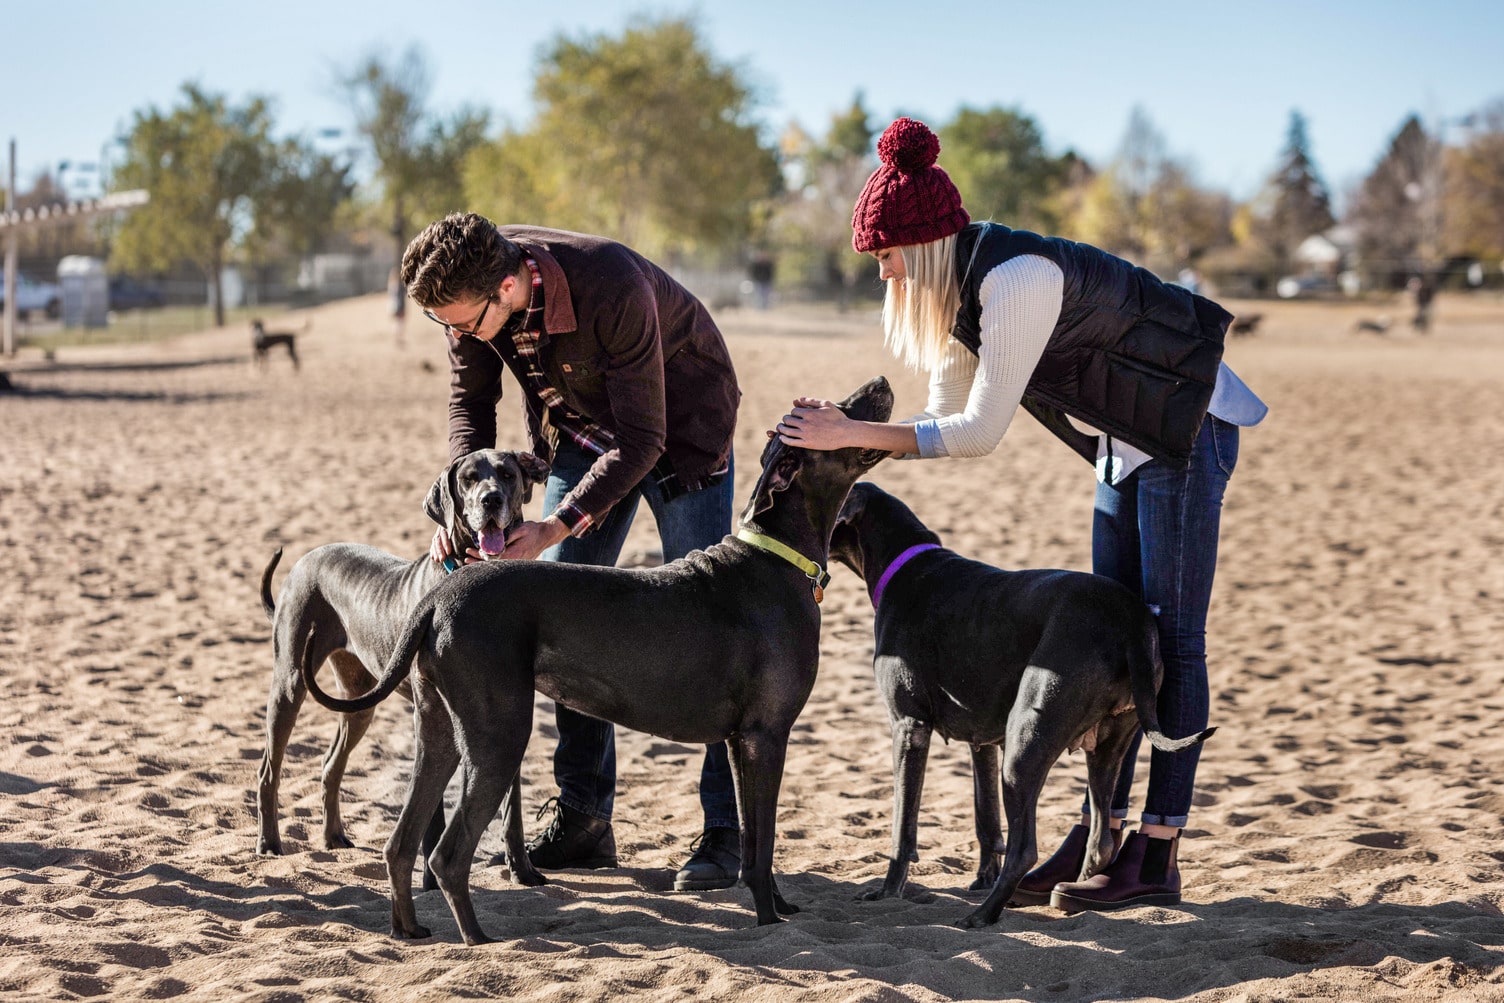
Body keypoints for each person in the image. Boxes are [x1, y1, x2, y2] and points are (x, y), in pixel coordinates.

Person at [776, 118, 1268, 911]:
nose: (882, 275)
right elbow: (940, 414)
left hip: (1186, 428)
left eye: (886, 257)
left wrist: (850, 432)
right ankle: (1098, 834)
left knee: (1171, 638)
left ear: (925, 245)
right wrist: (844, 431)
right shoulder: (965, 295)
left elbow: (977, 432)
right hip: (1125, 440)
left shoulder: (1017, 281)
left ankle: (1157, 850)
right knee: (1114, 632)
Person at [400, 212, 744, 892]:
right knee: (556, 618)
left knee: (712, 629)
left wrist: (555, 523)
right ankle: (586, 816)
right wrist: (462, 503)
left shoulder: (609, 282)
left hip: (682, 435)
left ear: (504, 287)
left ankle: (725, 831)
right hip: (585, 432)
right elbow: (470, 401)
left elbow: (643, 439)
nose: (458, 336)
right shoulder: (469, 297)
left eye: (463, 323)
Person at [387, 266, 408, 348]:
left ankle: (397, 338)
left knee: (397, 323)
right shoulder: (399, 286)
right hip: (400, 306)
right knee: (400, 323)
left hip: (394, 306)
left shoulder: (391, 285)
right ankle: (398, 338)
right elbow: (402, 295)